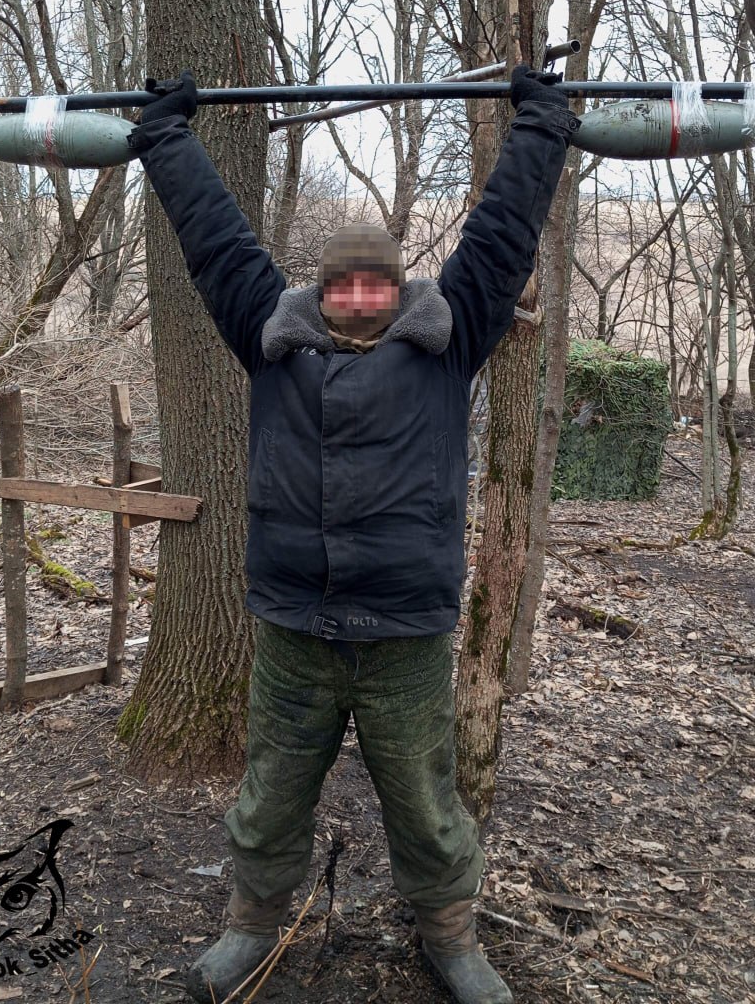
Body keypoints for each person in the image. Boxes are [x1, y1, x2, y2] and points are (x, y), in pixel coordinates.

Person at [130, 66, 579, 1004]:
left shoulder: (446, 344)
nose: (362, 296)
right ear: (322, 289)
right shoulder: (270, 336)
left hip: (404, 634)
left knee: (423, 803)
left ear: (398, 287)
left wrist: (540, 127)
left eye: (378, 282)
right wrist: (166, 139)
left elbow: (499, 242)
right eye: (345, 283)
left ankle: (449, 936)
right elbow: (214, 242)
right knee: (271, 795)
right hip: (294, 624)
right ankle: (250, 925)